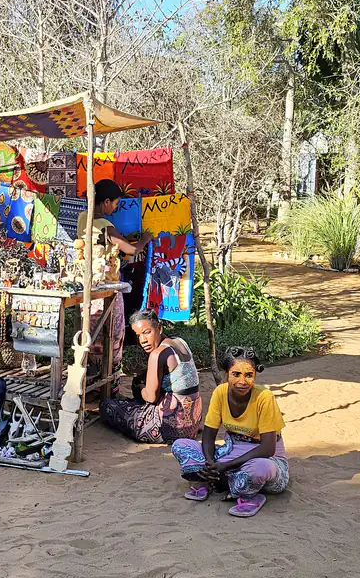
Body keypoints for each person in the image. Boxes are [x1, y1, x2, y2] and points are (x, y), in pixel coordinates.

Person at [170, 346, 289, 517]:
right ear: (226, 374)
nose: (242, 381)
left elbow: (268, 448)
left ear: (255, 374)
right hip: (229, 454)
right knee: (180, 445)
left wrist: (225, 466)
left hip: (264, 460)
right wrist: (210, 464)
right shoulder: (220, 392)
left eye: (249, 375)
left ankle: (227, 485)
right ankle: (223, 481)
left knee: (260, 469)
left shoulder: (265, 397)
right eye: (236, 374)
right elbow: (209, 436)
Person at [78, 179, 154, 393]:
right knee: (113, 336)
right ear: (106, 201)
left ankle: (90, 386)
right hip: (106, 288)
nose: (115, 209)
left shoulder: (83, 218)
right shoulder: (104, 225)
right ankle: (109, 389)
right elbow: (130, 250)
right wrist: (144, 240)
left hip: (89, 289)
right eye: (115, 204)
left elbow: (108, 241)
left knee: (90, 337)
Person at [100, 309, 202, 443]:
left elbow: (151, 397)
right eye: (138, 336)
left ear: (159, 328)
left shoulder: (158, 354)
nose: (142, 340)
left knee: (107, 405)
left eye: (146, 333)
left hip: (170, 427)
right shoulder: (179, 342)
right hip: (193, 423)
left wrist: (139, 388)